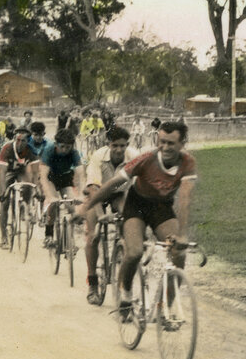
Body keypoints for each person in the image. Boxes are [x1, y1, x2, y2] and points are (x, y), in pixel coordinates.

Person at [78, 121, 197, 317]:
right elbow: (112, 184)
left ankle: (164, 308)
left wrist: (182, 235)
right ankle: (125, 293)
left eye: (171, 143)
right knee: (134, 252)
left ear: (182, 144)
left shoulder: (188, 163)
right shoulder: (146, 159)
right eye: (162, 142)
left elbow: (185, 199)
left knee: (178, 254)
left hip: (161, 208)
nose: (165, 148)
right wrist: (86, 207)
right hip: (137, 205)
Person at [80, 125, 138, 305]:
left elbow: (136, 186)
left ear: (127, 144)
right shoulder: (98, 156)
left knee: (127, 222)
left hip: (119, 194)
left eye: (123, 146)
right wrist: (100, 215)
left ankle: (120, 255)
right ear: (108, 144)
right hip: (96, 193)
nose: (119, 150)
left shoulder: (134, 156)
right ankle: (92, 282)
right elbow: (93, 188)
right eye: (115, 146)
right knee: (92, 236)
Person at [39, 128, 84, 248]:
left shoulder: (74, 153)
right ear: (56, 144)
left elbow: (81, 175)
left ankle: (70, 239)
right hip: (50, 178)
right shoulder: (49, 151)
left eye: (68, 147)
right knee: (53, 204)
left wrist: (81, 194)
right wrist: (49, 196)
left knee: (72, 206)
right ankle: (48, 235)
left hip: (65, 179)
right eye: (62, 146)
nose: (64, 150)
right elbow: (43, 177)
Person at [0, 127, 38, 249]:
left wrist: (36, 189)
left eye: (23, 141)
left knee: (28, 185)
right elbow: (2, 173)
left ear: (28, 141)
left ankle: (24, 206)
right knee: (4, 203)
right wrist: (3, 192)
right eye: (18, 140)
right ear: (14, 139)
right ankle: (4, 237)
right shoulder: (7, 148)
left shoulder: (31, 150)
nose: (20, 143)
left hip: (22, 172)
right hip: (8, 172)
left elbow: (35, 173)